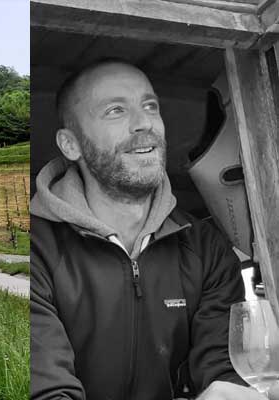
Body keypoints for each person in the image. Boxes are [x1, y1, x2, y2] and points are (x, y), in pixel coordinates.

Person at [30, 60, 263, 400]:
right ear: (70, 144)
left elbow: (223, 368)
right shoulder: (33, 248)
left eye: (150, 106)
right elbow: (46, 391)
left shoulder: (203, 245)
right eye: (115, 111)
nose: (144, 123)